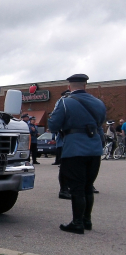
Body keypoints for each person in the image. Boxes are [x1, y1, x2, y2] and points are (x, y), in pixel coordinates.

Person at [48, 74, 106, 234]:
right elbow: (100, 124)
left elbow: (53, 125)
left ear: (69, 87)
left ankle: (77, 222)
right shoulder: (99, 103)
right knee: (88, 186)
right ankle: (87, 220)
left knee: (77, 187)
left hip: (74, 149)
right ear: (85, 86)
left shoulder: (64, 102)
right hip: (94, 149)